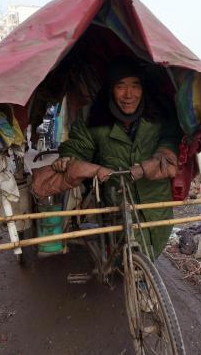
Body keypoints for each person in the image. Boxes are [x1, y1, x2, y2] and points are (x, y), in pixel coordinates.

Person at [52, 57, 181, 259]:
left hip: (155, 200)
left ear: (143, 88)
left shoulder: (159, 113)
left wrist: (159, 157)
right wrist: (69, 158)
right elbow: (79, 147)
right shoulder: (93, 116)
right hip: (115, 199)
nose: (129, 95)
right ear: (110, 89)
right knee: (125, 251)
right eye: (121, 86)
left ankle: (143, 275)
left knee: (152, 248)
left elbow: (171, 139)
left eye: (135, 86)